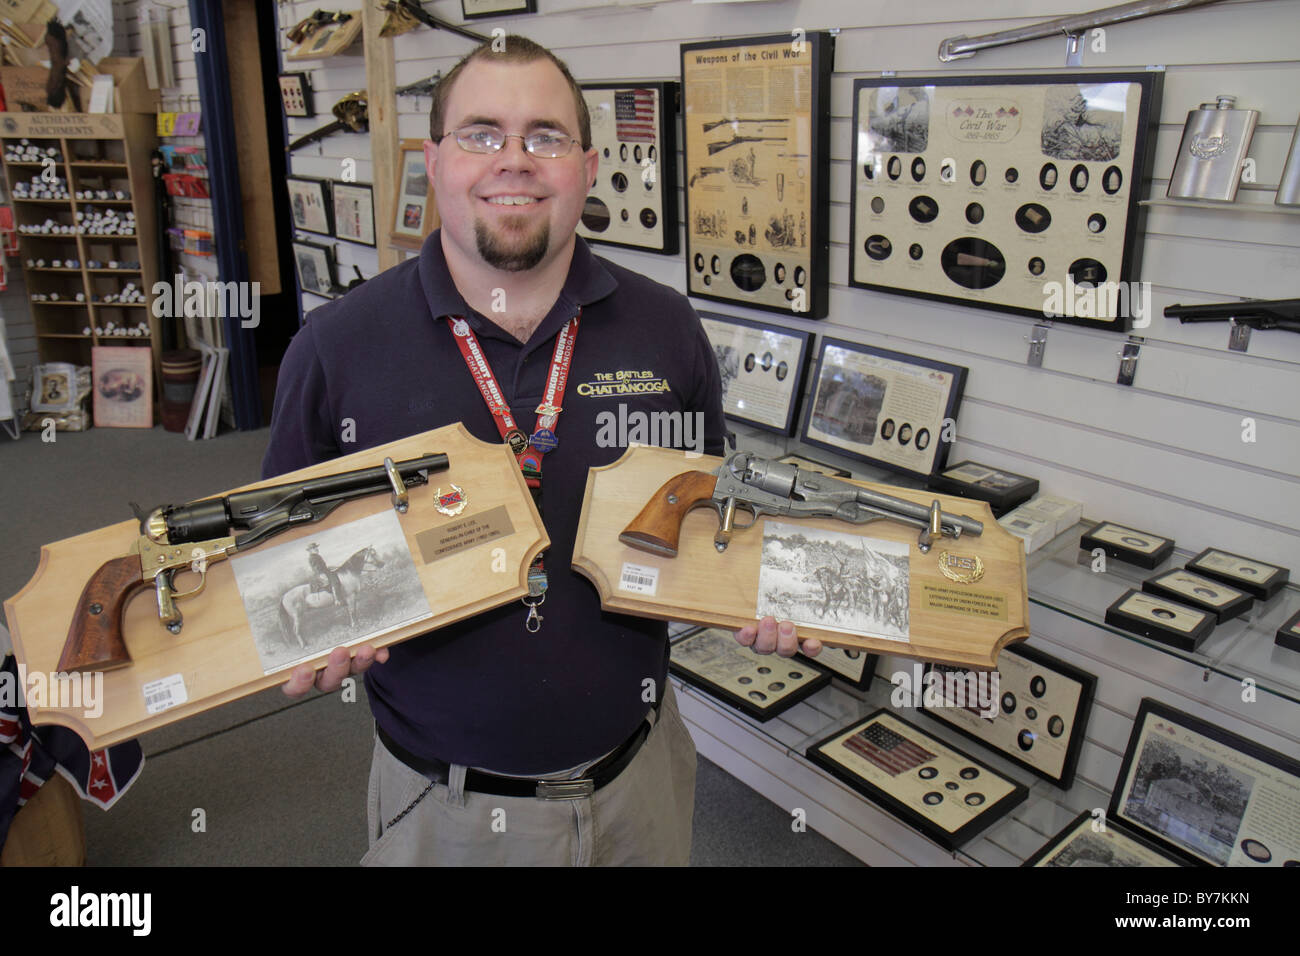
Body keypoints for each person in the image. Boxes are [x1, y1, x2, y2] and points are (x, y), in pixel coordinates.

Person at [262, 34, 815, 866]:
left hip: (642, 780)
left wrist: (760, 600)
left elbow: (706, 516)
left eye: (545, 137)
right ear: (435, 160)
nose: (513, 161)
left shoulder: (668, 329)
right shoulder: (335, 349)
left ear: (587, 167)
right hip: (444, 807)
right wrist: (299, 640)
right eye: (482, 134)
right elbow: (278, 559)